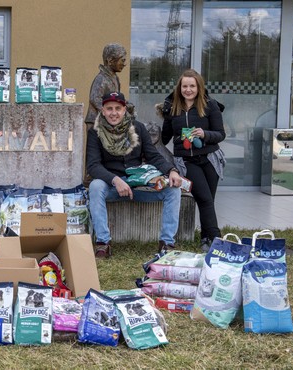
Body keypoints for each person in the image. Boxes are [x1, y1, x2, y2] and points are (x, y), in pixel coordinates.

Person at [87, 92, 183, 258]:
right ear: (103, 110)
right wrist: (115, 180)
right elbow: (93, 166)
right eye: (109, 108)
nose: (114, 112)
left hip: (138, 184)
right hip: (111, 186)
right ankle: (103, 243)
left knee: (173, 190)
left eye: (118, 108)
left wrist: (171, 171)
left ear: (124, 110)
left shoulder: (138, 128)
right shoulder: (95, 132)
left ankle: (167, 243)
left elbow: (153, 155)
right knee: (95, 186)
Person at [161, 69, 226, 252]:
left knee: (208, 200)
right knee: (204, 198)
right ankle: (215, 239)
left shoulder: (210, 105)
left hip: (210, 158)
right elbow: (164, 137)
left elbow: (221, 134)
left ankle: (205, 237)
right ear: (179, 88)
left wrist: (204, 134)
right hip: (186, 161)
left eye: (192, 86)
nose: (188, 90)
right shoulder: (173, 108)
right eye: (184, 86)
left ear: (199, 87)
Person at [85, 43, 133, 125]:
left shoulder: (115, 78)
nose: (124, 64)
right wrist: (110, 113)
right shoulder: (101, 78)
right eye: (122, 60)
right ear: (110, 61)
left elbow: (115, 97)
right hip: (96, 122)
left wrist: (124, 104)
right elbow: (95, 99)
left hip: (108, 122)